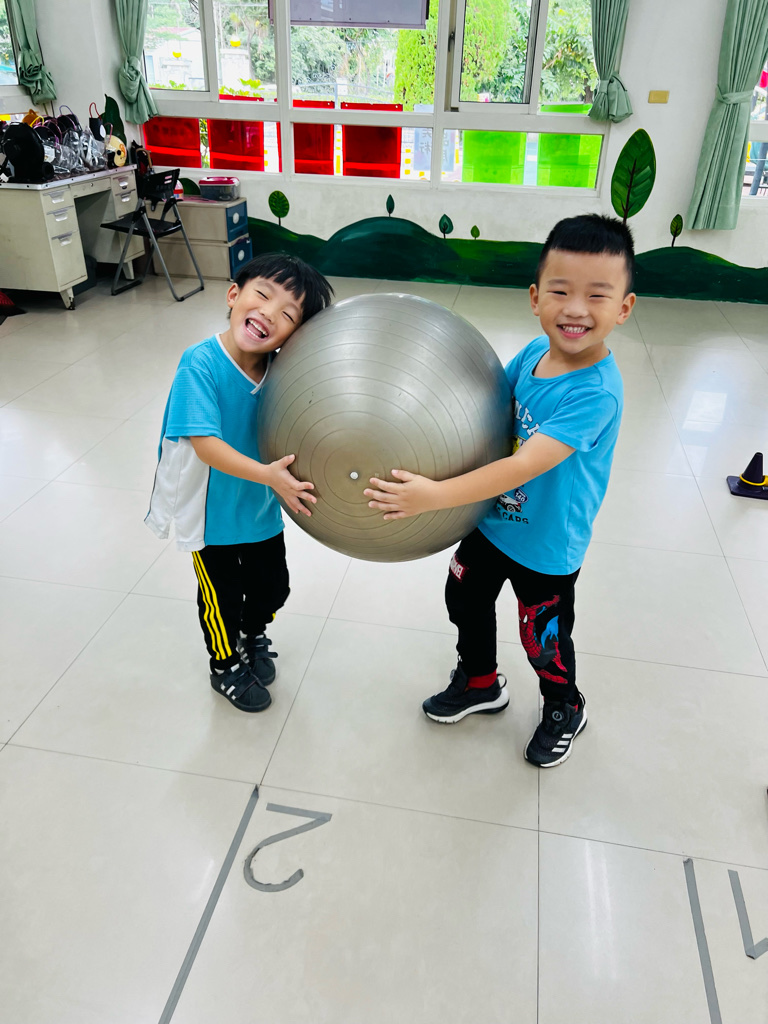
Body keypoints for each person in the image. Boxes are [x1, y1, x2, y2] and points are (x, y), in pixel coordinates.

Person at [364, 214, 636, 767]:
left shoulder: (596, 392)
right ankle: (480, 680)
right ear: (535, 298)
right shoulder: (533, 353)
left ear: (624, 308)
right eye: (560, 291)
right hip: (492, 523)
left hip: (546, 544)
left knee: (543, 638)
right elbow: (484, 407)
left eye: (597, 296)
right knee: (463, 597)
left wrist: (433, 496)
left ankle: (565, 706)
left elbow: (523, 465)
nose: (576, 309)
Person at [145, 253, 333, 713]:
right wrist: (269, 475)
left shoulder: (282, 373)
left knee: (273, 588)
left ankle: (253, 633)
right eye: (262, 296)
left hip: (260, 509)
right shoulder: (200, 364)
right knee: (221, 601)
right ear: (234, 295)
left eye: (288, 314)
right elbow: (206, 445)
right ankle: (224, 664)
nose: (269, 313)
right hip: (212, 517)